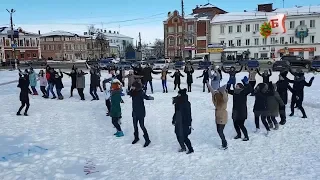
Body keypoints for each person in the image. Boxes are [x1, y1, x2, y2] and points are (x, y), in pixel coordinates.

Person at [128, 81, 154, 147]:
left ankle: (147, 140)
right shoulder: (132, 92)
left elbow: (146, 97)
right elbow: (129, 93)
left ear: (136, 87)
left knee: (142, 126)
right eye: (132, 86)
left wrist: (150, 98)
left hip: (141, 112)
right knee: (135, 126)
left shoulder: (140, 92)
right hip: (134, 112)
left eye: (133, 86)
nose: (132, 87)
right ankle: (136, 137)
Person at [225, 76, 251, 141]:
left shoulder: (243, 92)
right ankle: (238, 134)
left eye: (237, 86)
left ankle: (246, 136)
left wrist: (247, 83)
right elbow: (228, 91)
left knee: (241, 124)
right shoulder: (235, 92)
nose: (236, 87)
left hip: (242, 111)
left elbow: (250, 89)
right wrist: (228, 84)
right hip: (235, 110)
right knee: (235, 123)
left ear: (241, 87)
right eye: (236, 86)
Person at [172, 88, 194, 154]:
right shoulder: (178, 102)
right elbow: (176, 112)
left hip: (184, 122)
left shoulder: (186, 103)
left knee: (184, 136)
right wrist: (174, 119)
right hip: (178, 121)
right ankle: (183, 147)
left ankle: (190, 149)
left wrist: (189, 123)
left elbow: (189, 114)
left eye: (179, 94)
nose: (177, 95)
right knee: (177, 133)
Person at [207, 84, 229, 149]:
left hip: (223, 116)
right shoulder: (217, 100)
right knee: (219, 131)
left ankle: (224, 144)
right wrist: (208, 85)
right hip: (217, 116)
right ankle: (224, 143)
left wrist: (223, 90)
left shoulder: (224, 100)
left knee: (220, 131)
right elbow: (213, 93)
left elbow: (224, 96)